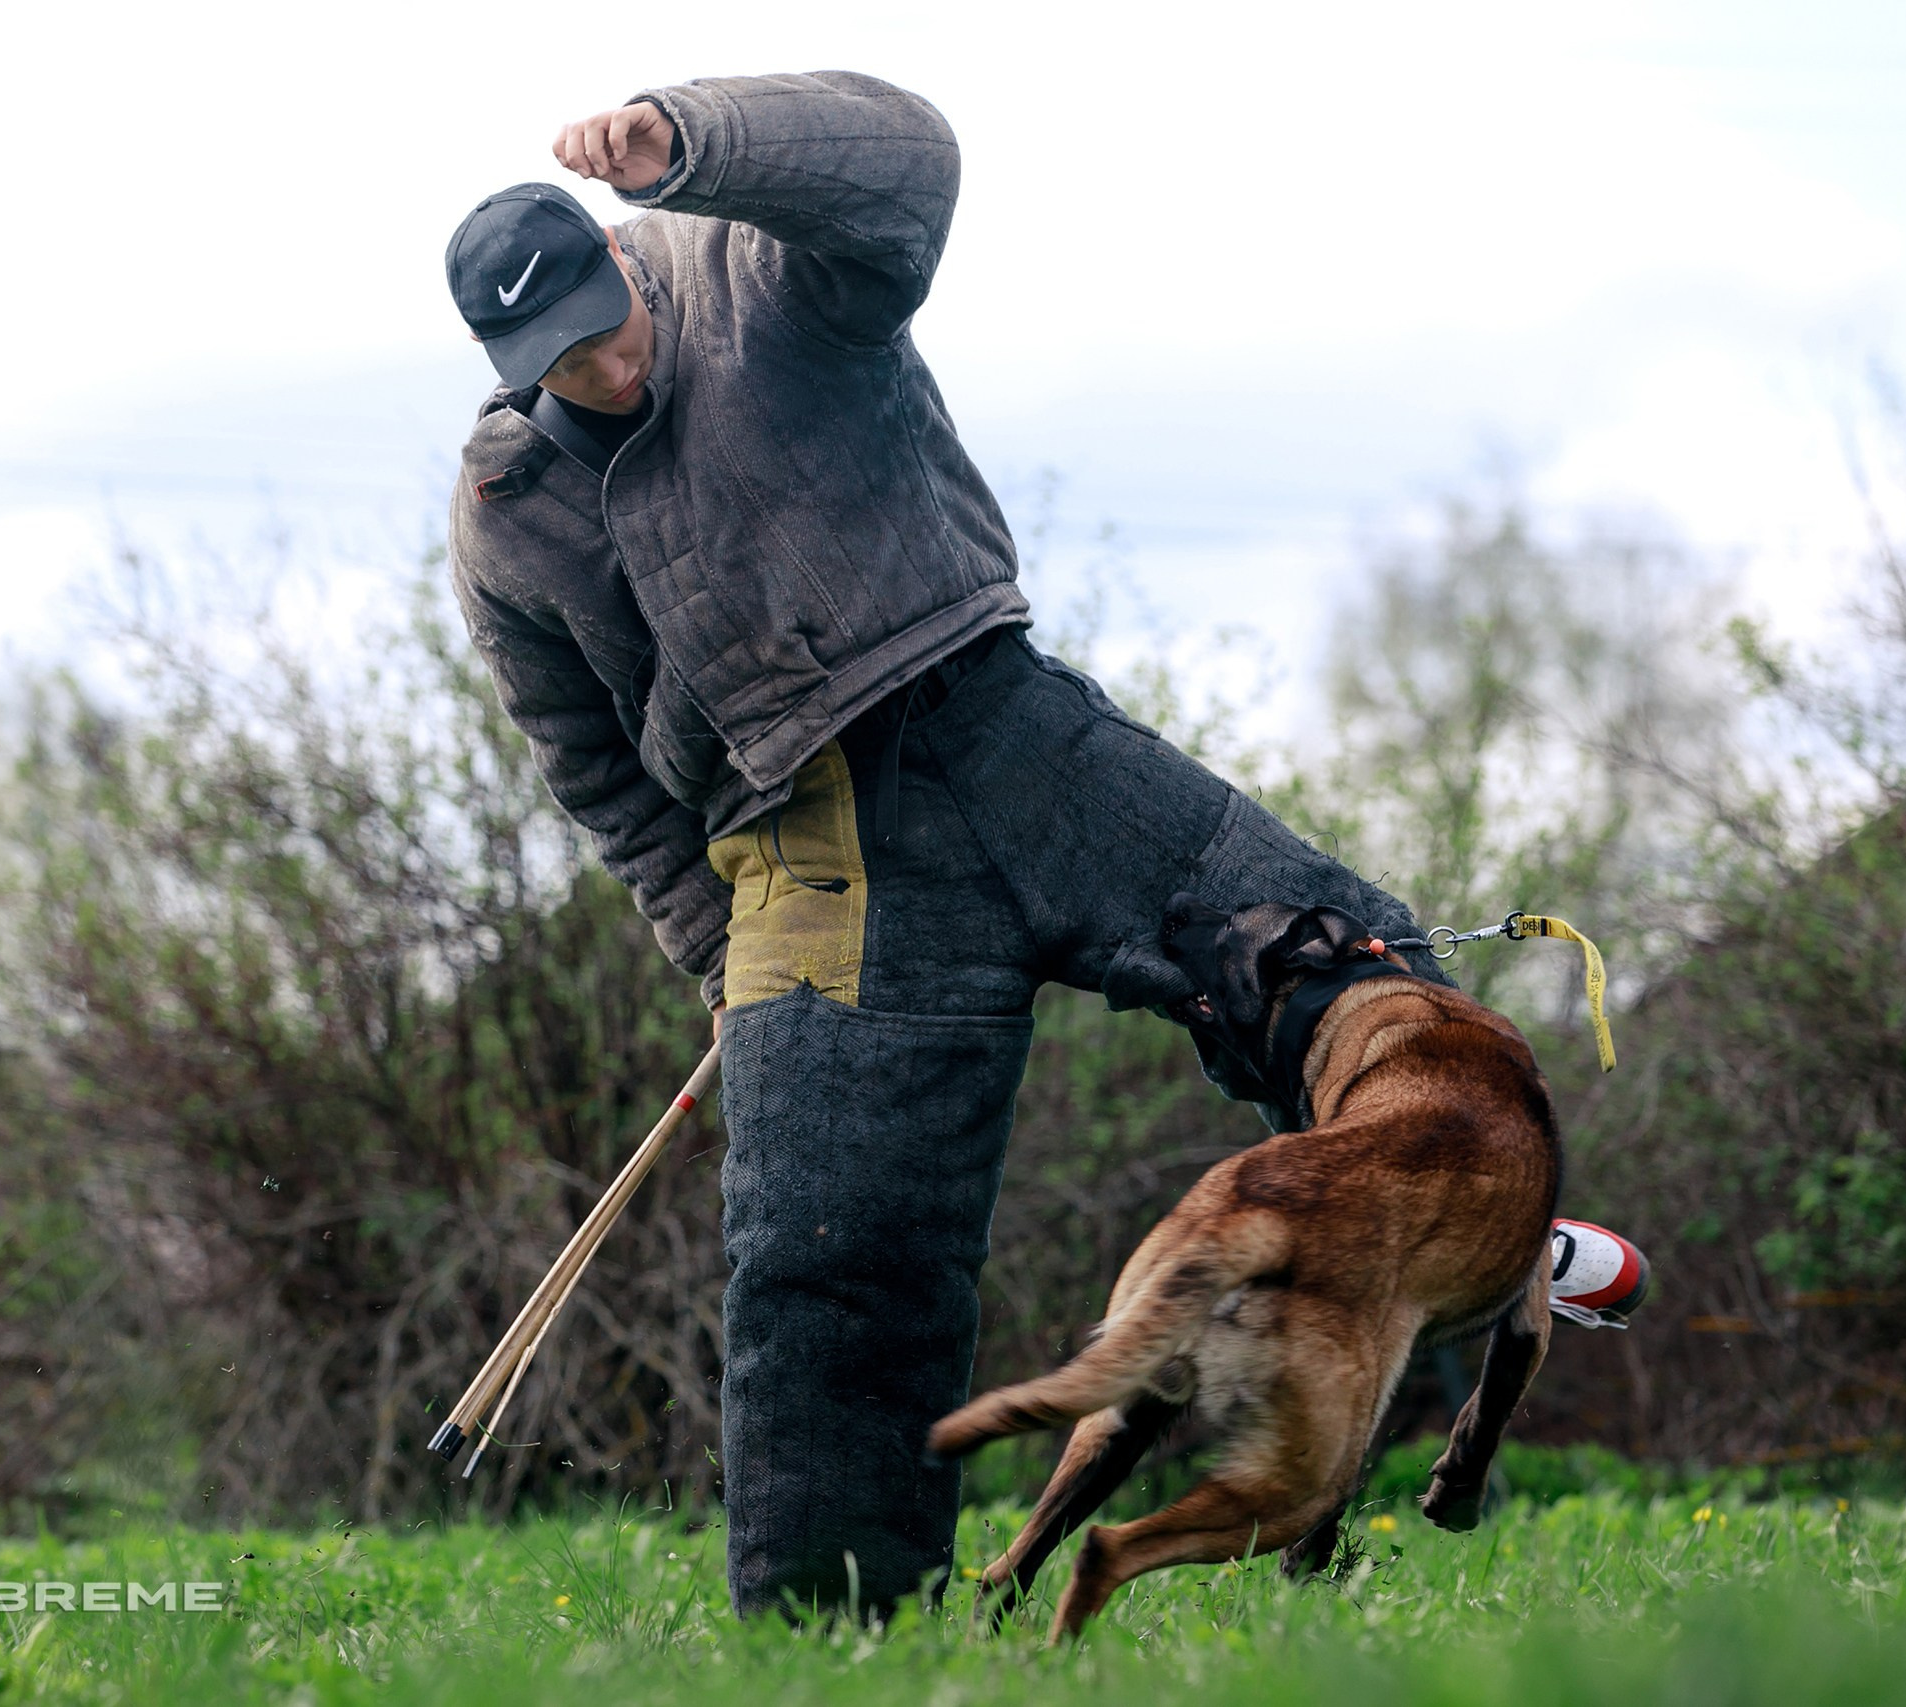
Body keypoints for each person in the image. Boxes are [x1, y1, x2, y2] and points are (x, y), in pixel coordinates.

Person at [442, 71, 1447, 1621]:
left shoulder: (747, 263)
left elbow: (909, 169)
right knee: (829, 1269)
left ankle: (1431, 1387)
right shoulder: (508, 507)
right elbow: (590, 765)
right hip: (806, 854)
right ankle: (833, 1634)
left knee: (1350, 969)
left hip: (1008, 731)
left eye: (610, 326)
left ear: (625, 256)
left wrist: (693, 137)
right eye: (564, 364)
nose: (608, 368)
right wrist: (717, 959)